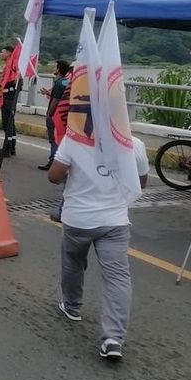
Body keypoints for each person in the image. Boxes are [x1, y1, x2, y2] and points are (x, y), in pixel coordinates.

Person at [48, 137, 149, 361]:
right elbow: (140, 183)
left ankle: (72, 306)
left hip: (78, 219)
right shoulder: (134, 144)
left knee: (73, 263)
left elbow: (54, 177)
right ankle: (113, 339)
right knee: (117, 277)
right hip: (115, 221)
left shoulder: (74, 139)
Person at [39, 60, 71, 170]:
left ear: (58, 69)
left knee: (54, 139)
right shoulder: (65, 82)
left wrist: (49, 113)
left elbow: (56, 100)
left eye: (55, 67)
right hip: (63, 115)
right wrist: (48, 92)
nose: (53, 69)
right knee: (60, 138)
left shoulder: (59, 83)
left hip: (55, 115)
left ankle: (53, 161)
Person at [0, 45, 21, 158]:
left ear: (9, 53)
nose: (0, 54)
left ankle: (7, 148)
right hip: (8, 95)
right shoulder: (10, 65)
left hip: (8, 96)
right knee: (10, 121)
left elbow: (13, 81)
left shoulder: (12, 66)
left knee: (7, 122)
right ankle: (12, 146)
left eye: (2, 52)